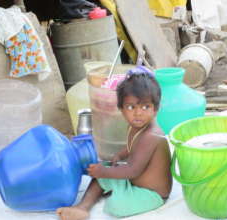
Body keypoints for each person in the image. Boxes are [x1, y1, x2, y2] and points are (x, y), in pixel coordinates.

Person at [57, 66, 172, 220]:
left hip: (152, 194)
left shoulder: (151, 135)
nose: (138, 113)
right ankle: (82, 207)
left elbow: (133, 171)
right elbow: (132, 146)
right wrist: (120, 154)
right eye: (131, 107)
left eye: (146, 107)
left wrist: (104, 173)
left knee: (114, 206)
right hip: (134, 183)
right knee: (104, 169)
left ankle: (113, 191)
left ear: (155, 109)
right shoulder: (136, 127)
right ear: (121, 109)